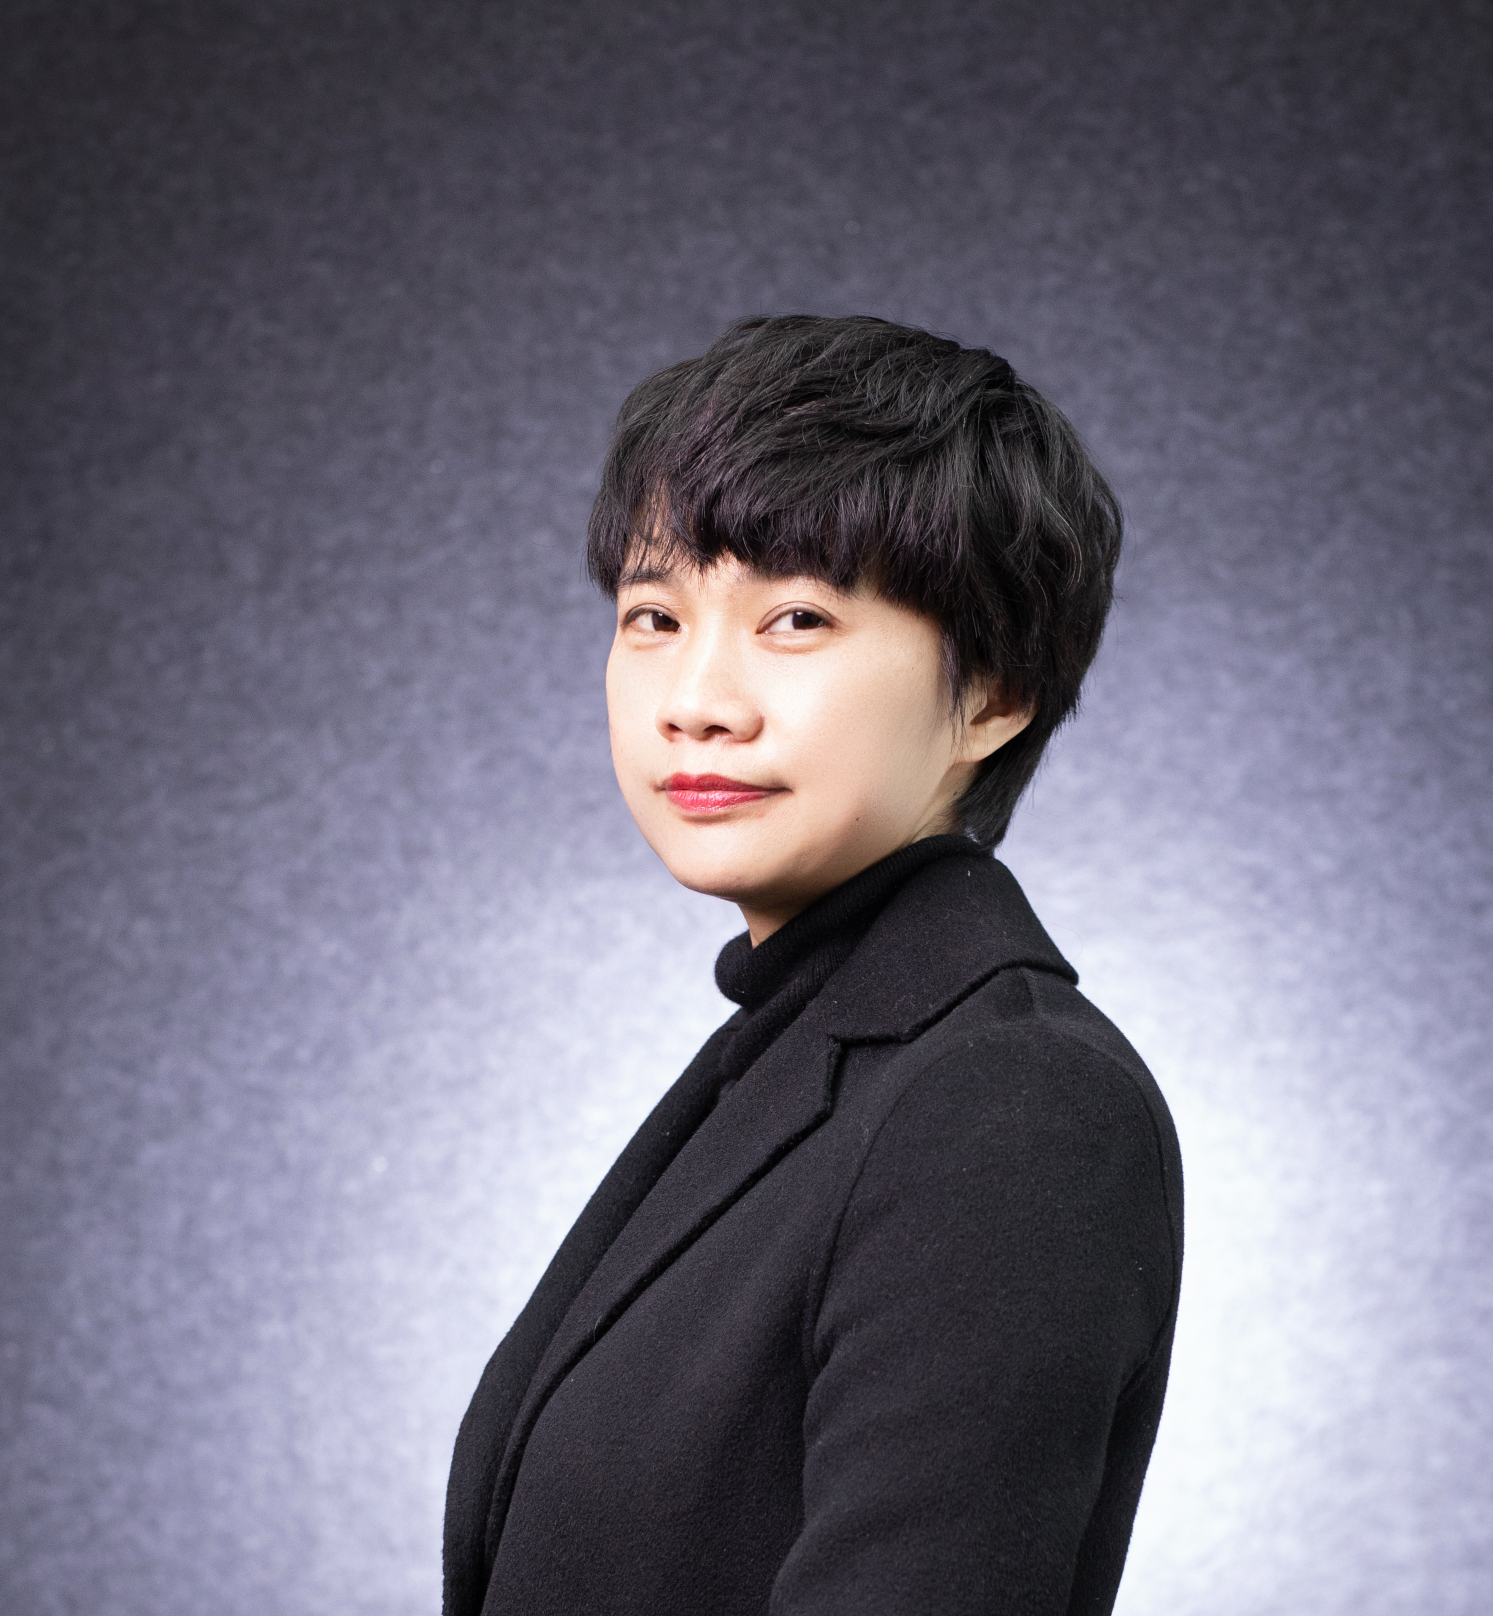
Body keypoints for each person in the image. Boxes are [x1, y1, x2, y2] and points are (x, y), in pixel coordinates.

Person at [443, 315, 1183, 1616]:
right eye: (654, 615)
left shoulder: (1012, 1102)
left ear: (992, 691)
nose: (695, 700)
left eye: (794, 617)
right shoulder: (799, 1052)